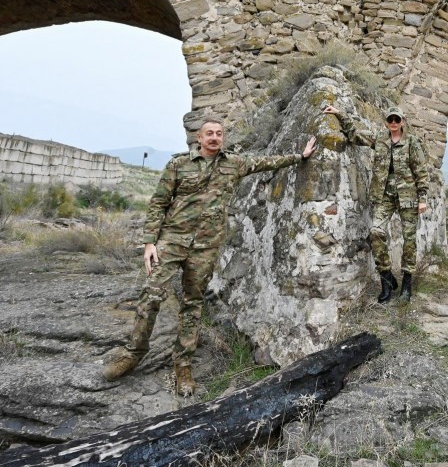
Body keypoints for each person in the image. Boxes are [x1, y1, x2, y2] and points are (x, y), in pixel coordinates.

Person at [103, 120, 317, 395]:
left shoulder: (234, 164)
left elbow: (265, 162)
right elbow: (158, 203)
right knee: (152, 295)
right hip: (172, 241)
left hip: (205, 247)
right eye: (209, 134)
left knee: (192, 304)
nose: (215, 138)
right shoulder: (178, 165)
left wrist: (300, 156)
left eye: (219, 133)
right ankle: (133, 353)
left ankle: (183, 367)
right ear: (199, 137)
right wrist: (149, 243)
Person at [322, 104, 429, 304]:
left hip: (408, 197)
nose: (394, 123)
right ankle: (387, 280)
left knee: (409, 241)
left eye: (397, 120)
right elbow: (354, 135)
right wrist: (339, 114)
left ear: (403, 121)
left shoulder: (412, 142)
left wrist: (422, 198)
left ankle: (406, 284)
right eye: (391, 120)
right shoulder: (379, 139)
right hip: (384, 197)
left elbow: (421, 172)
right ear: (387, 123)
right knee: (376, 233)